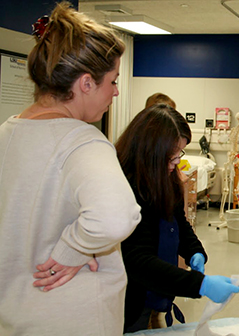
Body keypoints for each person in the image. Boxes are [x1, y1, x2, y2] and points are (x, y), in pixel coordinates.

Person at [0, 2, 141, 335]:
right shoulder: (83, 141)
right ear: (86, 83)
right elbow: (116, 217)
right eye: (113, 81)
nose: (116, 92)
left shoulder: (6, 133)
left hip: (13, 314)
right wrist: (74, 248)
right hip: (72, 316)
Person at [116, 104, 239, 333]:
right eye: (171, 156)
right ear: (150, 151)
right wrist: (200, 285)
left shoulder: (165, 176)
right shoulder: (126, 188)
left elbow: (178, 221)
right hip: (130, 296)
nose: (176, 163)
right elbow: (138, 259)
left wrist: (194, 250)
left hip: (158, 287)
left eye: (179, 155)